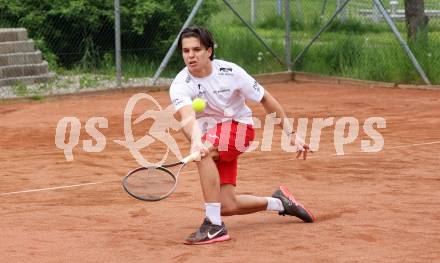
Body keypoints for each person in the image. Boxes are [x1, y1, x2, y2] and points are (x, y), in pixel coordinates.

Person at [169, 26, 315, 245]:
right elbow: (187, 116)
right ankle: (280, 203)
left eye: (197, 49)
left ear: (209, 51)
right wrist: (197, 141)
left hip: (239, 129)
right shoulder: (180, 84)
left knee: (204, 153)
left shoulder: (231, 72)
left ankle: (213, 225)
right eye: (186, 50)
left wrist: (291, 134)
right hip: (211, 135)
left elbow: (266, 99)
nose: (191, 55)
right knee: (227, 205)